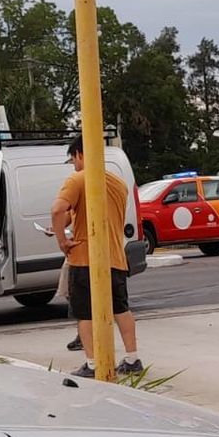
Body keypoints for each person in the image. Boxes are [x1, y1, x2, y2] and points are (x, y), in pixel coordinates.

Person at [52, 134, 142, 378]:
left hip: (84, 257)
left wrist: (62, 239)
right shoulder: (117, 183)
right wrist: (69, 220)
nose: (75, 165)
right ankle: (132, 358)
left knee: (84, 313)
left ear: (80, 154)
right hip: (114, 255)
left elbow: (57, 209)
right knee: (121, 309)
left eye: (74, 160)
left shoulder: (78, 179)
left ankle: (92, 363)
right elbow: (91, 212)